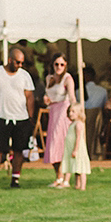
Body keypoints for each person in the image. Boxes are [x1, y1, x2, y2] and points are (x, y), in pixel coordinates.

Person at [0, 47, 36, 190]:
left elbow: (29, 97)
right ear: (10, 60)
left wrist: (31, 117)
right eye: (18, 62)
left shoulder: (24, 75)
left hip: (21, 117)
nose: (20, 65)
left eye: (22, 63)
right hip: (2, 116)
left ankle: (15, 180)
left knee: (19, 150)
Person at [42, 52, 76, 188]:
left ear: (66, 65)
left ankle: (65, 177)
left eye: (62, 64)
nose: (59, 67)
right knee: (52, 145)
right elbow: (49, 95)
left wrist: (75, 111)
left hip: (64, 111)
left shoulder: (67, 78)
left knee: (61, 142)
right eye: (56, 64)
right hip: (53, 111)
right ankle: (59, 176)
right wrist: (47, 100)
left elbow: (72, 96)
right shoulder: (49, 78)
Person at [62, 102, 92, 189]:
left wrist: (75, 149)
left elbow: (78, 138)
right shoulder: (72, 124)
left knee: (81, 168)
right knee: (76, 167)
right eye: (70, 111)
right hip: (71, 148)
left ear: (79, 113)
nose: (70, 113)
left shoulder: (78, 124)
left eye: (73, 111)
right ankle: (77, 185)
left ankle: (83, 186)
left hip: (78, 149)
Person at [81, 65, 108, 157]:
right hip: (97, 123)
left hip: (82, 119)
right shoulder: (103, 91)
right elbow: (105, 107)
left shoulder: (78, 91)